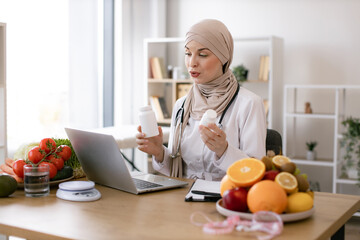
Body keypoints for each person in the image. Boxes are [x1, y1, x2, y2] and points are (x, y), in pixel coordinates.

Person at [136, 19, 266, 181]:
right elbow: (177, 170)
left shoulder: (249, 104)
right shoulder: (182, 105)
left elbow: (256, 171)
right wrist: (159, 152)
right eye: (188, 53)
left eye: (203, 55)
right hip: (182, 196)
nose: (192, 63)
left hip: (225, 197)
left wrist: (224, 150)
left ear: (223, 57)